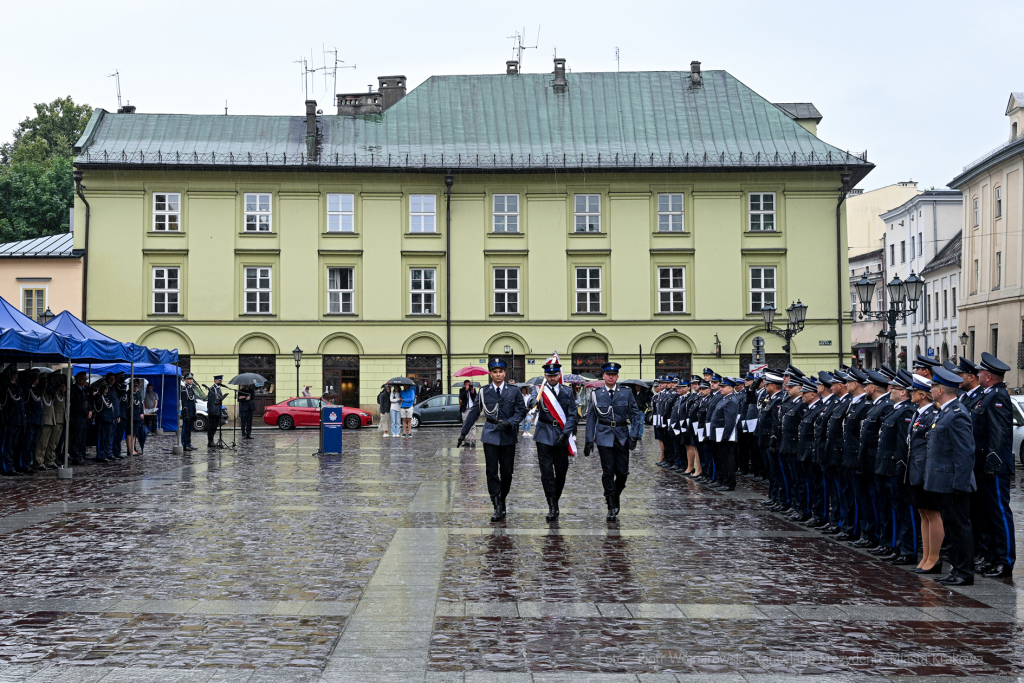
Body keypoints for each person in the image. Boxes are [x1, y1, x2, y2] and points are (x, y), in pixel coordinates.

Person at [924, 366, 977, 586]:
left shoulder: (956, 414)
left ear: (939, 390)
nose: (932, 391)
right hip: (943, 482)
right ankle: (956, 569)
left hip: (954, 483)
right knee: (952, 528)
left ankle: (964, 572)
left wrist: (959, 483)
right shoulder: (946, 412)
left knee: (959, 528)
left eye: (934, 387)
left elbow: (965, 453)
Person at [457, 358, 528, 521]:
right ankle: (496, 504)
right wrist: (463, 433)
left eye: (500, 372)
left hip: (508, 435)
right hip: (490, 434)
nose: (498, 375)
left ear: (505, 373)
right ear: (491, 374)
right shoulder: (483, 391)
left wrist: (510, 422)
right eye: (494, 372)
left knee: (507, 473)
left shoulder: (514, 391)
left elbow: (521, 411)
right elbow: (474, 412)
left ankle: (502, 499)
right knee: (491, 472)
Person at [971, 352, 1015, 578]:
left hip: (993, 467)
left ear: (988, 376)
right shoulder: (985, 396)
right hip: (982, 465)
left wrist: (993, 462)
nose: (977, 374)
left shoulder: (997, 397)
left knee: (999, 513)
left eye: (980, 372)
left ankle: (1005, 560)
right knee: (986, 514)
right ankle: (990, 557)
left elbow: (999, 434)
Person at [584, 361, 644, 521]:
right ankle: (611, 503)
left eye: (614, 375)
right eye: (608, 374)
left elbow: (635, 415)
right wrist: (589, 440)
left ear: (617, 376)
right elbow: (591, 418)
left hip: (622, 436)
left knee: (623, 473)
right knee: (608, 471)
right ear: (603, 376)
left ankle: (615, 494)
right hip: (604, 436)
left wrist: (634, 435)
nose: (611, 377)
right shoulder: (596, 394)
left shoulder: (626, 393)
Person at [906, 373, 942, 574]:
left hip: (926, 471)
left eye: (914, 391)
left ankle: (934, 559)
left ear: (922, 394)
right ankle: (926, 556)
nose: (911, 394)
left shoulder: (932, 415)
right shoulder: (918, 413)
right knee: (923, 513)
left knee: (933, 513)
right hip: (915, 470)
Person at [533, 362, 577, 521]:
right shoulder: (539, 390)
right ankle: (552, 505)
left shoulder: (567, 391)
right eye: (549, 376)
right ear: (545, 376)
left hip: (561, 435)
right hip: (544, 434)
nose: (552, 378)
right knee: (546, 473)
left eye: (555, 375)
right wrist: (532, 403)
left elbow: (572, 415)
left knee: (561, 472)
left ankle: (554, 499)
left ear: (559, 375)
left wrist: (566, 434)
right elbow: (532, 402)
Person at [22, 371, 43, 473]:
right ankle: (24, 464)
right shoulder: (28, 389)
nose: (38, 379)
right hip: (30, 420)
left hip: (36, 421)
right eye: (36, 377)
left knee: (33, 444)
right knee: (27, 444)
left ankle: (28, 463)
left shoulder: (36, 390)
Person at [69, 371, 91, 465]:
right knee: (77, 438)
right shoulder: (74, 390)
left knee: (83, 438)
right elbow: (77, 404)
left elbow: (88, 401)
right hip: (78, 417)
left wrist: (90, 411)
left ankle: (82, 455)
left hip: (85, 418)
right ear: (77, 379)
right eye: (82, 379)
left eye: (85, 379)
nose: (84, 381)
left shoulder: (84, 389)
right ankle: (76, 456)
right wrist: (86, 412)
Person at [180, 373, 197, 451]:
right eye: (189, 379)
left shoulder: (192, 388)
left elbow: (193, 402)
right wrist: (186, 413)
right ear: (186, 380)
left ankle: (189, 443)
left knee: (189, 430)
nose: (191, 380)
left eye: (191, 379)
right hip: (187, 413)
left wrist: (194, 413)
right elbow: (184, 403)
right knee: (185, 429)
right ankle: (184, 444)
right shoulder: (184, 389)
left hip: (192, 412)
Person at [207, 375, 225, 449]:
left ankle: (212, 441)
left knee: (215, 426)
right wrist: (212, 411)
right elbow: (211, 402)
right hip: (213, 411)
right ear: (215, 381)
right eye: (219, 381)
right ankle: (210, 441)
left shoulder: (219, 389)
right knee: (211, 426)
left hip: (218, 410)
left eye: (221, 381)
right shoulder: (212, 389)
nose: (220, 382)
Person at [457, 380, 478, 447]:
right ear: (464, 385)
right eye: (466, 384)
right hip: (465, 409)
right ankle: (466, 441)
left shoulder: (472, 389)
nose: (468, 386)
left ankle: (473, 441)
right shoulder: (461, 390)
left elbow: (476, 397)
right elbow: (461, 397)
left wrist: (472, 390)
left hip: (472, 409)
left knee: (473, 426)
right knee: (465, 425)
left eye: (469, 384)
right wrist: (466, 391)